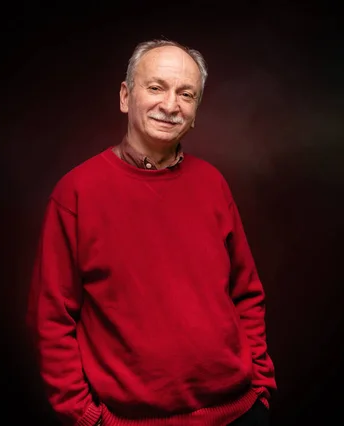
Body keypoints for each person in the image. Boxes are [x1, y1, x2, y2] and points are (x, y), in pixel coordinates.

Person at [25, 39, 276, 426]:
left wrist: (259, 383)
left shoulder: (212, 184)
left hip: (238, 411)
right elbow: (50, 320)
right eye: (156, 87)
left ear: (195, 113)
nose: (171, 105)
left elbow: (247, 292)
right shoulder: (76, 192)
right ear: (126, 96)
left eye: (186, 94)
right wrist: (84, 416)